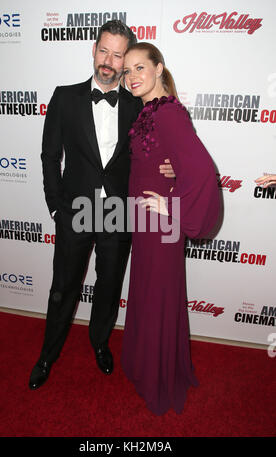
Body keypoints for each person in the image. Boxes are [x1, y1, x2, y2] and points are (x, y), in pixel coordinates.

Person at [29, 22, 175, 390]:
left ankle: (99, 343)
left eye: (118, 54)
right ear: (93, 51)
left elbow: (154, 153)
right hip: (74, 210)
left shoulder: (138, 103)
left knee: (109, 286)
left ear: (127, 58)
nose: (109, 61)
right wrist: (55, 208)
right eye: (104, 51)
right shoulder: (65, 97)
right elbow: (49, 157)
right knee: (63, 286)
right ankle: (48, 353)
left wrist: (172, 167)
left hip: (119, 214)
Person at [121, 42, 220, 415]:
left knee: (158, 293)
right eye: (127, 70)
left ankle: (158, 375)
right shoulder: (150, 110)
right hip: (145, 222)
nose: (132, 76)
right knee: (149, 291)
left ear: (159, 68)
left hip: (160, 223)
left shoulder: (168, 114)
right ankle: (147, 365)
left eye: (139, 68)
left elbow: (203, 170)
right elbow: (172, 160)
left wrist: (172, 204)